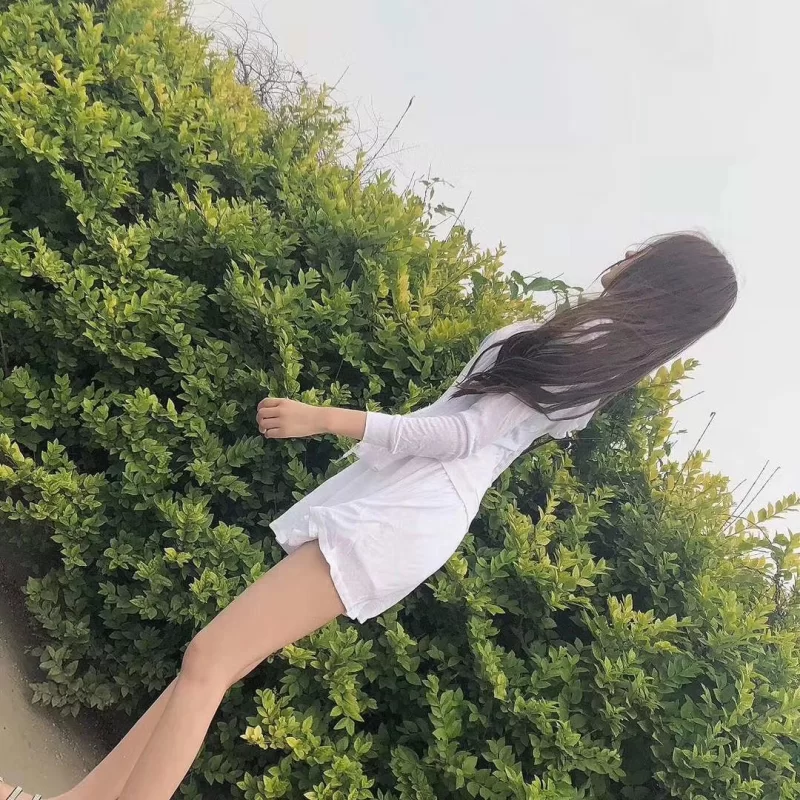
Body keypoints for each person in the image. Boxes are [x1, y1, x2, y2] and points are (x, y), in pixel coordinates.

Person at [1, 231, 738, 800]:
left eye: (649, 249)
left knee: (207, 663)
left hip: (409, 507)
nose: (630, 249)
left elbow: (460, 435)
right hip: (410, 505)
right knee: (212, 665)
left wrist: (324, 417)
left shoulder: (583, 342)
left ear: (659, 273)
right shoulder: (603, 358)